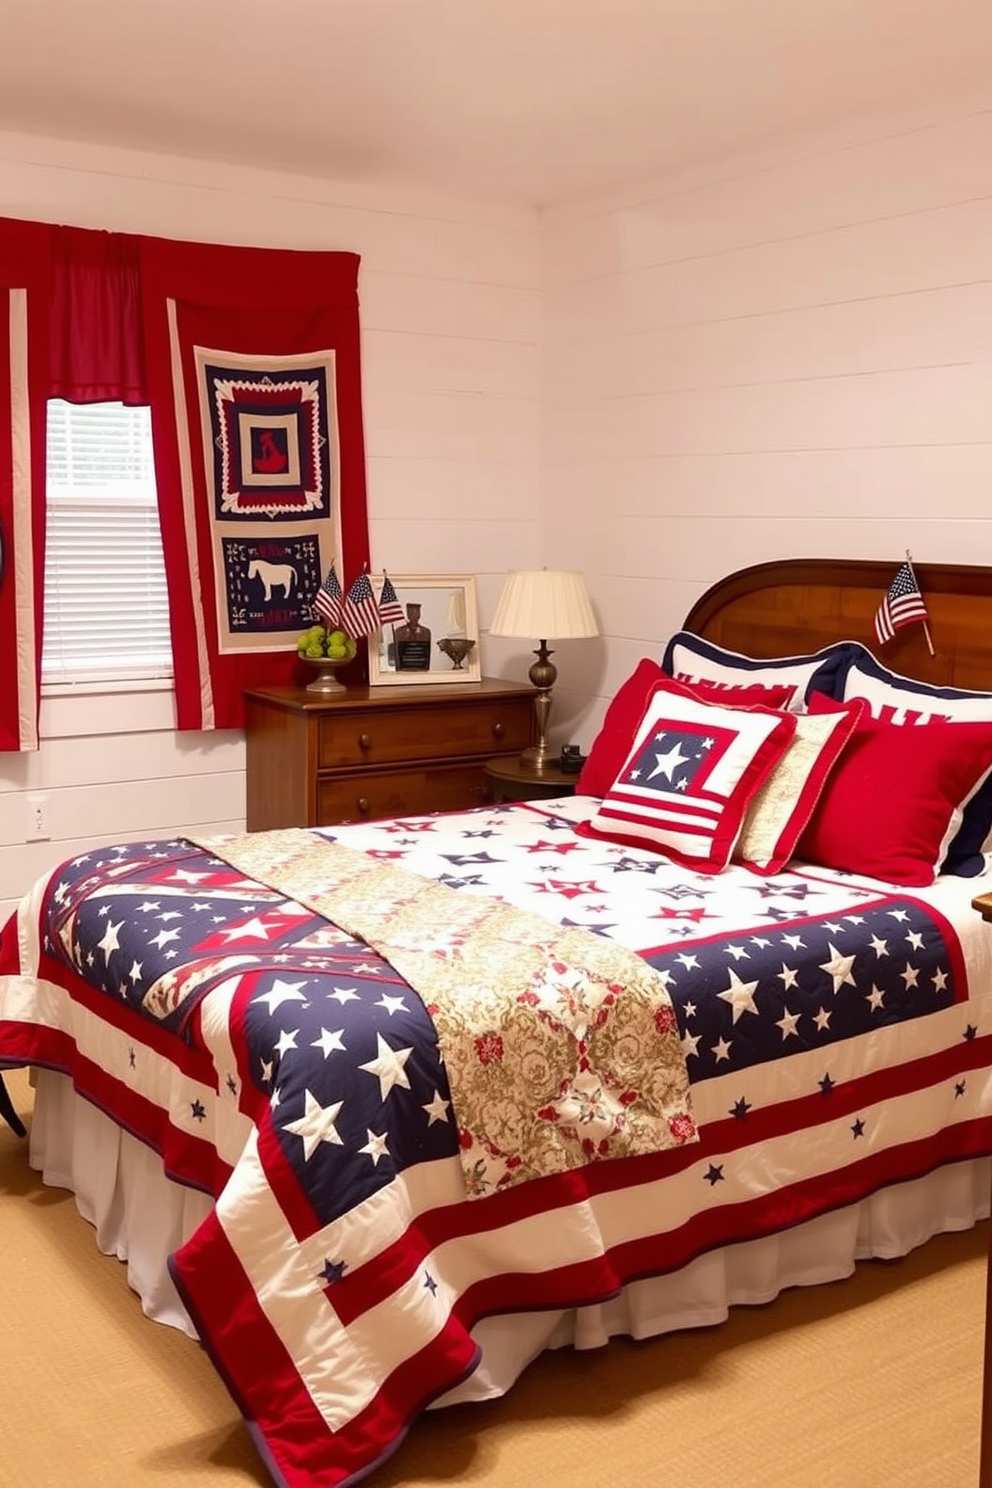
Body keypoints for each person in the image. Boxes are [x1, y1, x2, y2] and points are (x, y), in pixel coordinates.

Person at [394, 602, 432, 670]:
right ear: (408, 614)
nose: (414, 614)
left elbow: (426, 656)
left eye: (417, 611)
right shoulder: (399, 632)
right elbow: (398, 656)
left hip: (421, 672)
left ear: (419, 614)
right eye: (411, 611)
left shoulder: (425, 632)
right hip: (404, 673)